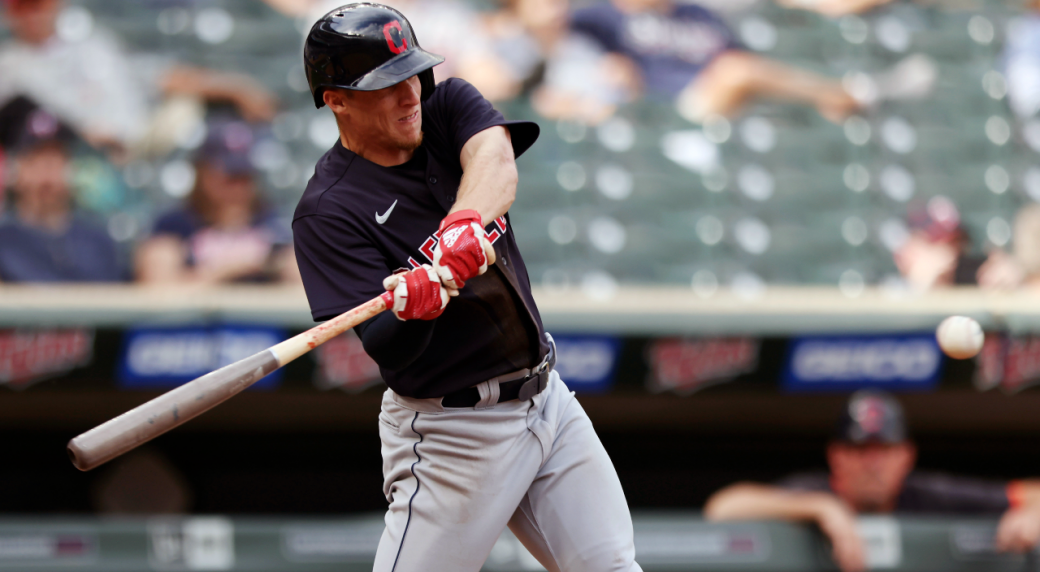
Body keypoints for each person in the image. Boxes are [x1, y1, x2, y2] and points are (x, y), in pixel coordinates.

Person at [291, 4, 641, 570]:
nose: (410, 94)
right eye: (386, 85)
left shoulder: (447, 106)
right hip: (454, 432)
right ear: (337, 99)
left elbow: (496, 160)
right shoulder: (327, 211)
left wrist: (459, 229)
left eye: (412, 73)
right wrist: (415, 308)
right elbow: (383, 343)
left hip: (547, 398)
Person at [704, 390, 1040, 572]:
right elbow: (723, 507)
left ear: (906, 456)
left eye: (885, 450)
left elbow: (1032, 493)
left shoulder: (926, 492)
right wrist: (823, 509)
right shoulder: (815, 492)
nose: (873, 463)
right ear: (836, 457)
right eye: (860, 450)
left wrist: (1034, 513)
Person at [0, 0, 276, 159]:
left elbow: (159, 76)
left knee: (189, 108)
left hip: (140, 143)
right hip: (78, 160)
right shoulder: (9, 67)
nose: (32, 13)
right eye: (22, 6)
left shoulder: (94, 44)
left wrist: (236, 88)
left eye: (37, 3)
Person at [565, 0, 859, 123]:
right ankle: (836, 94)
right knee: (737, 70)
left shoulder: (694, 12)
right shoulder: (600, 17)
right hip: (672, 107)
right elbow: (545, 41)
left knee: (739, 69)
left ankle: (833, 97)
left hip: (723, 94)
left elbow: (738, 53)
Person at [136, 121, 298, 285]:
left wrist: (279, 265)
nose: (238, 187)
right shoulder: (174, 226)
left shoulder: (275, 224)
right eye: (230, 177)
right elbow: (157, 291)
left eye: (246, 177)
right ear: (203, 174)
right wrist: (227, 269)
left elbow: (310, 291)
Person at [0, 109, 122, 282]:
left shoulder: (97, 241)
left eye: (54, 163)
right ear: (17, 171)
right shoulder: (5, 241)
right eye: (35, 163)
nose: (46, 178)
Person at [893, 196, 985, 290]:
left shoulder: (972, 277)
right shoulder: (888, 288)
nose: (950, 255)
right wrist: (922, 280)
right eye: (937, 245)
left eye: (954, 244)